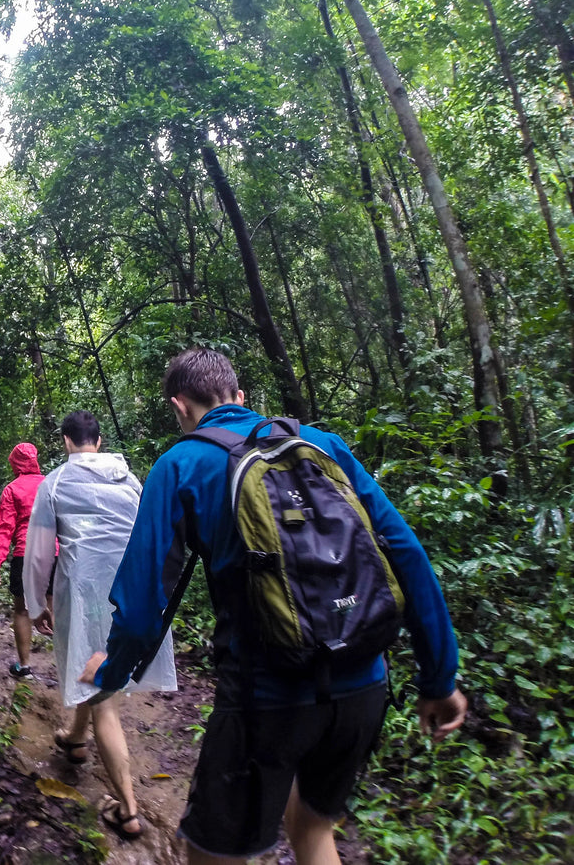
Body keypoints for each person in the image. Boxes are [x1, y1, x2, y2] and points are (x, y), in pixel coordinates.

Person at [88, 348, 467, 864]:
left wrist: (112, 671)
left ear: (179, 406)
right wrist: (439, 677)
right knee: (313, 829)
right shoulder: (324, 445)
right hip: (363, 686)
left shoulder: (179, 465)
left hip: (264, 701)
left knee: (211, 854)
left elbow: (138, 607)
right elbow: (405, 554)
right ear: (241, 397)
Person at [23, 412, 174, 840]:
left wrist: (37, 604)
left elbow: (38, 555)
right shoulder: (131, 482)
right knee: (96, 672)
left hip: (84, 593)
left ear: (67, 441)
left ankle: (127, 808)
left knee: (104, 693)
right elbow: (154, 539)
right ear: (100, 440)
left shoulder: (55, 483)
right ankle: (74, 737)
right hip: (131, 593)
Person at [0, 442, 46, 678]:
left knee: (22, 610)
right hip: (53, 553)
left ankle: (24, 667)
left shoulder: (12, 489)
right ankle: (72, 667)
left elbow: (5, 527)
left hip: (25, 553)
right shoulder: (51, 484)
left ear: (15, 463)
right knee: (56, 609)